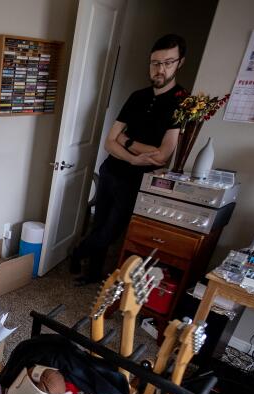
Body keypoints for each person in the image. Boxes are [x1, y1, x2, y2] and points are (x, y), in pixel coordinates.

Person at [70, 34, 188, 284]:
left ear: (180, 63)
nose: (160, 69)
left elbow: (161, 154)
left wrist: (127, 141)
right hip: (112, 170)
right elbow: (109, 141)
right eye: (155, 63)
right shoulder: (138, 97)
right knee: (98, 224)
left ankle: (77, 253)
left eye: (168, 62)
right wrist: (133, 155)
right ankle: (91, 273)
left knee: (111, 231)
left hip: (137, 181)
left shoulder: (182, 102)